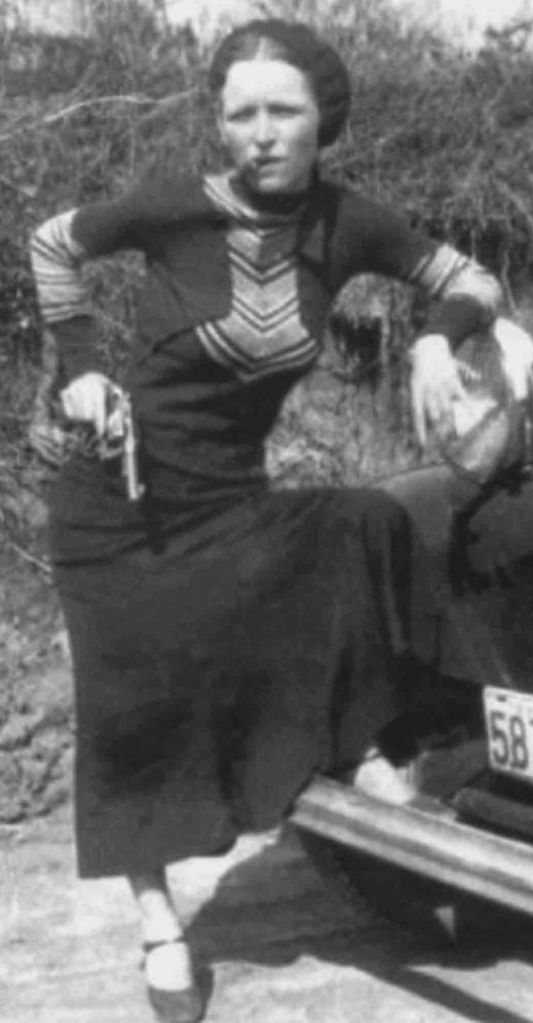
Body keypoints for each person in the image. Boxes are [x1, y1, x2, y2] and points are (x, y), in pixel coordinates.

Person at [29, 19, 503, 1023]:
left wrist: (435, 341)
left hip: (230, 499)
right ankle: (160, 920)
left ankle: (369, 744)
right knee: (139, 701)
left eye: (282, 111)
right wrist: (80, 374)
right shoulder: (175, 204)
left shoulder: (349, 223)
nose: (260, 133)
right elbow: (53, 243)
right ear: (219, 125)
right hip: (118, 502)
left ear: (322, 119)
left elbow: (472, 280)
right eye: (239, 114)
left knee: (364, 523)